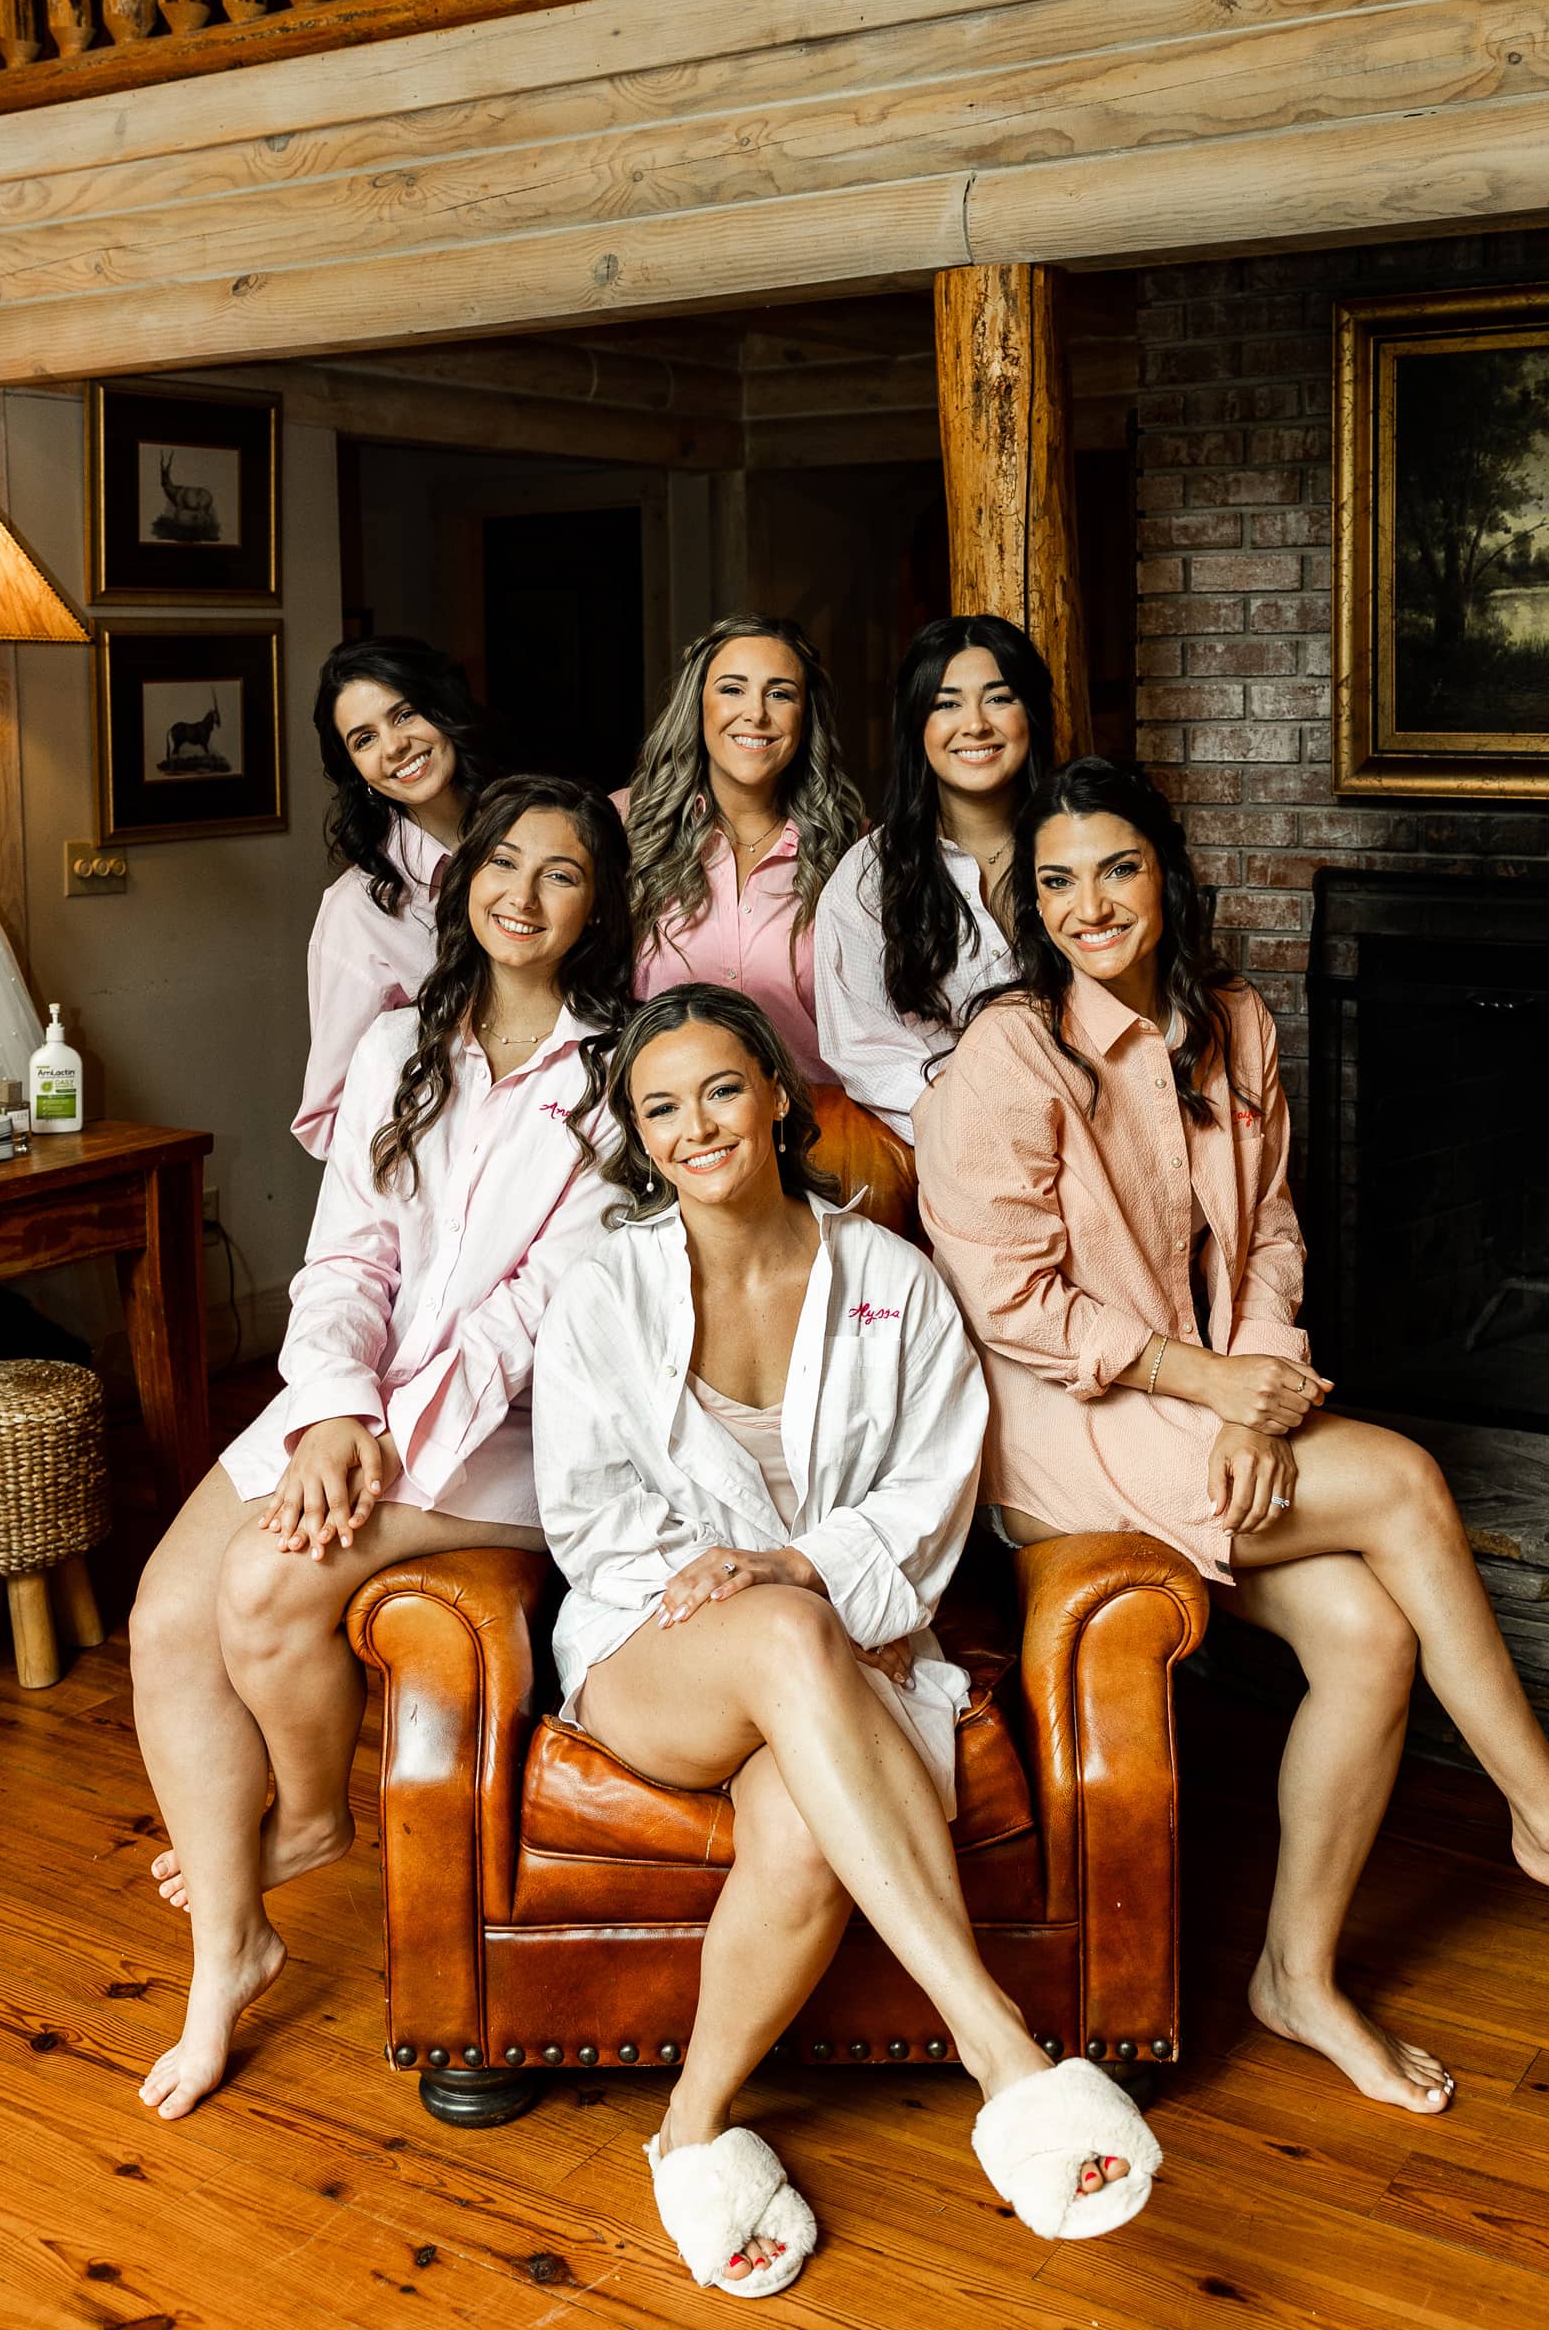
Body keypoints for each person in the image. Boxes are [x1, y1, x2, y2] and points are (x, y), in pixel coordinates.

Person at [917, 756, 1549, 2119]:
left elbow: (1271, 1234)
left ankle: (1296, 1979)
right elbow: (1013, 1307)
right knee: (1401, 1477)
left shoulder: (1232, 1022)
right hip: (1070, 1425)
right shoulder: (1007, 1053)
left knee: (1366, 1634)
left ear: (1167, 872)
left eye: (1117, 866)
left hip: (1209, 1390)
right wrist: (1210, 1384)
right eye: (1055, 880)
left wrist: (1266, 1378)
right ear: (1028, 901)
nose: (1089, 904)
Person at [532, 982, 1163, 2298]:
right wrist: (759, 1586)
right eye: (659, 1109)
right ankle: (1003, 2053)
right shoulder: (605, 1288)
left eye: (718, 1089)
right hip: (659, 1650)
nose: (694, 1125)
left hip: (852, 1657)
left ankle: (690, 2129)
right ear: (638, 1141)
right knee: (776, 1630)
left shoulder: (893, 1279)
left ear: (776, 1094)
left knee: (807, 1816)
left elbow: (932, 1496)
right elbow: (587, 1515)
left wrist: (807, 1574)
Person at [128, 775, 632, 2122]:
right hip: (368, 1395)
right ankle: (227, 1953)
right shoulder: (401, 1042)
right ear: (465, 882)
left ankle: (308, 1815)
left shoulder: (622, 1070)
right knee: (169, 1617)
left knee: (269, 1586)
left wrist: (374, 1444)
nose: (522, 893)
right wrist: (335, 1409)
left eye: (562, 872)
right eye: (502, 863)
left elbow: (543, 1316)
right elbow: (347, 1254)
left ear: (600, 905)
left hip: (515, 1437)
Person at [815, 615, 1055, 1144]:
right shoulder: (868, 877)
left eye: (999, 698)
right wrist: (979, 1123)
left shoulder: (1084, 849)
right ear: (916, 726)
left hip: (1100, 1132)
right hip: (958, 1148)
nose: (975, 725)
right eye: (946, 704)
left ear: (1031, 714)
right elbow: (863, 1050)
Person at [619, 615, 863, 1089]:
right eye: (732, 689)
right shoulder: (625, 829)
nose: (756, 713)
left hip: (819, 1133)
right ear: (698, 705)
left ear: (806, 714)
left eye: (780, 693)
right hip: (665, 1135)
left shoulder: (855, 851)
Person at [294, 636, 487, 1157]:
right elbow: (328, 1121)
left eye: (404, 715)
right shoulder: (357, 911)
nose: (394, 747)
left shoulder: (544, 839)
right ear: (357, 772)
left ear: (442, 707)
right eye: (364, 739)